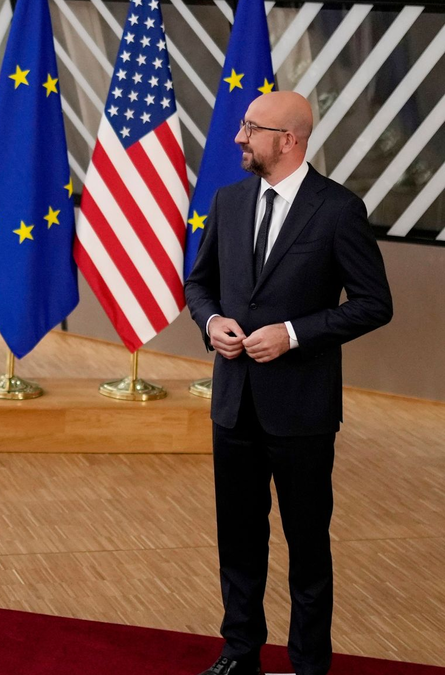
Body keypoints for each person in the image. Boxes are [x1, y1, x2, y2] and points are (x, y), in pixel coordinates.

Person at [185, 91, 393, 675]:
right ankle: (239, 652)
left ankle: (308, 665)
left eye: (250, 128)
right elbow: (198, 285)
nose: (237, 138)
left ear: (288, 140)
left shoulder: (338, 209)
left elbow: (375, 304)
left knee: (307, 546)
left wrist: (293, 334)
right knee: (239, 539)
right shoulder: (228, 202)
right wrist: (212, 321)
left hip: (300, 410)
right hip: (234, 406)